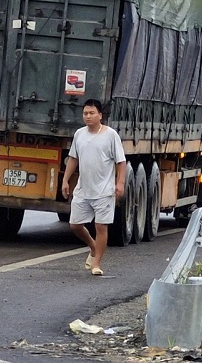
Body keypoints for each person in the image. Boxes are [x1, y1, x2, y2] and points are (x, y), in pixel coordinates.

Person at [61, 99, 126, 276]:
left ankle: (96, 263)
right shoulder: (79, 134)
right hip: (83, 189)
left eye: (91, 113)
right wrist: (65, 180)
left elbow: (121, 161)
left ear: (100, 115)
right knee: (75, 225)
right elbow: (73, 158)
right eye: (85, 113)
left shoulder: (110, 135)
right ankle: (92, 246)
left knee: (101, 227)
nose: (88, 116)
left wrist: (120, 183)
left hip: (104, 191)